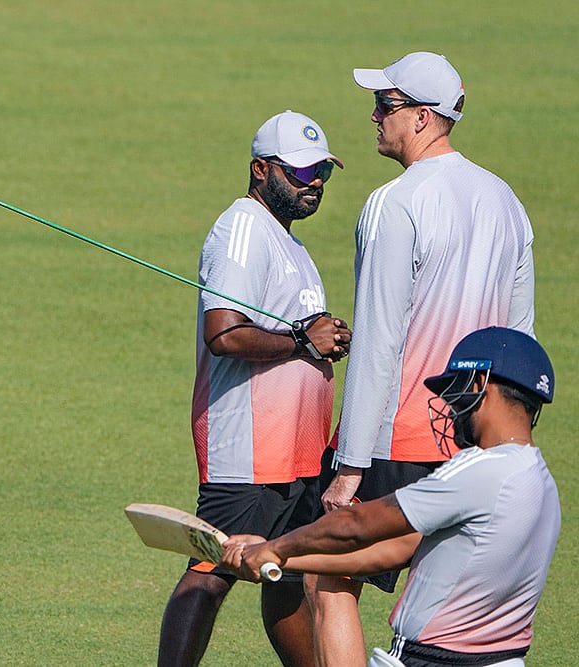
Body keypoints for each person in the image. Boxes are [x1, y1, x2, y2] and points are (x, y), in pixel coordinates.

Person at [314, 52, 537, 666]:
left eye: (385, 106)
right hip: (480, 445)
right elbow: (520, 342)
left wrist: (350, 467)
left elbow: (381, 341)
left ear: (421, 118)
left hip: (401, 439)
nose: (374, 116)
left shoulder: (394, 202)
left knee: (329, 579)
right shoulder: (506, 202)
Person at [221, 326, 559, 667]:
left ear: (478, 385)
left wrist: (275, 546)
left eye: (455, 393)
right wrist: (275, 559)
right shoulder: (541, 482)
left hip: (431, 660)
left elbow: (357, 524)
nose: (452, 410)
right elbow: (391, 551)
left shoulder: (477, 470)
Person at [157, 111, 351, 666]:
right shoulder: (243, 225)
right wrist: (302, 340)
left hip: (296, 453)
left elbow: (295, 333)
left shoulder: (289, 243)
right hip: (249, 447)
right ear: (260, 169)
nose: (313, 183)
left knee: (286, 576)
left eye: (322, 173)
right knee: (213, 570)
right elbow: (223, 333)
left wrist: (324, 339)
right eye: (300, 172)